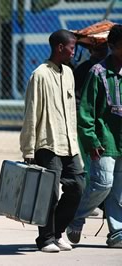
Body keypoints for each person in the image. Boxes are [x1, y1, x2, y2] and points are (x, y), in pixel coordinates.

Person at [20, 29, 86, 253]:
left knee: (78, 187)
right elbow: (31, 113)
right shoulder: (39, 74)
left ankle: (58, 232)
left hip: (69, 144)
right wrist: (28, 149)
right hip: (47, 143)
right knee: (49, 193)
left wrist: (76, 143)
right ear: (60, 47)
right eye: (72, 47)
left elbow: (71, 110)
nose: (73, 52)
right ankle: (46, 239)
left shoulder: (68, 73)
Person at [66, 24, 122, 248]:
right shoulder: (97, 72)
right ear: (112, 47)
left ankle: (117, 231)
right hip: (103, 139)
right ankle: (75, 217)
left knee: (118, 190)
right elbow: (86, 111)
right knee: (102, 184)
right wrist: (91, 139)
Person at [74, 41, 109, 217]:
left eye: (105, 47)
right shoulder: (86, 70)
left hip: (105, 125)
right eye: (99, 48)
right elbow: (79, 100)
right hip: (88, 124)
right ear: (91, 49)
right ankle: (88, 203)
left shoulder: (111, 68)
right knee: (90, 166)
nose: (103, 51)